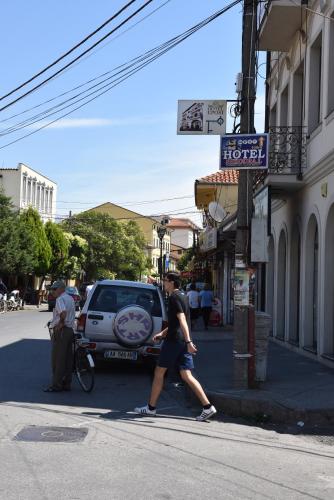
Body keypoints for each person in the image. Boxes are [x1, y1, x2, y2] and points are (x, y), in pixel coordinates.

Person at [134, 272, 217, 422]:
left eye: (165, 281)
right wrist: (162, 333)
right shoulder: (183, 296)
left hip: (175, 342)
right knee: (186, 375)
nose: (164, 283)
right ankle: (207, 407)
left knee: (159, 372)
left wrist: (189, 342)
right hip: (179, 340)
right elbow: (176, 323)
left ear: (172, 282)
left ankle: (151, 408)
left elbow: (182, 319)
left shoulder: (174, 297)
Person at [44, 281, 76, 392]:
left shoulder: (60, 299)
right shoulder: (70, 298)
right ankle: (67, 384)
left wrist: (60, 323)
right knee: (67, 359)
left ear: (61, 289)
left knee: (58, 359)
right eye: (51, 289)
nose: (52, 291)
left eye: (54, 289)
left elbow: (63, 313)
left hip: (62, 330)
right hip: (70, 330)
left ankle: (56, 385)